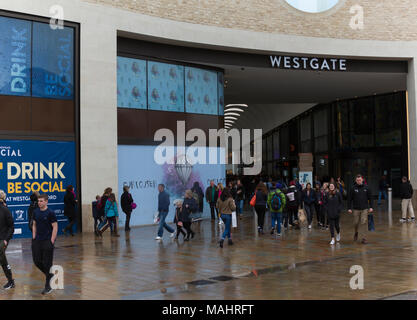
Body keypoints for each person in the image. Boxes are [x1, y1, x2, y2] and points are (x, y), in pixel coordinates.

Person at [32, 194, 58, 295]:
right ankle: (50, 275)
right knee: (37, 261)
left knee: (47, 264)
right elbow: (34, 224)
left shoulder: (50, 213)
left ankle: (48, 286)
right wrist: (34, 237)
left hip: (47, 241)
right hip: (37, 241)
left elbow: (55, 227)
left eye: (41, 201)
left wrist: (52, 240)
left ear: (46, 201)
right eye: (38, 201)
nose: (39, 203)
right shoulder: (35, 212)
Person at [348, 174, 373, 244]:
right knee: (356, 223)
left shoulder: (367, 188)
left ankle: (364, 238)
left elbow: (370, 198)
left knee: (364, 222)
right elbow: (349, 199)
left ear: (362, 180)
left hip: (364, 208)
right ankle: (356, 232)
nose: (358, 181)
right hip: (356, 209)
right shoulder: (353, 188)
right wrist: (349, 208)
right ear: (355, 181)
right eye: (357, 180)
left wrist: (371, 207)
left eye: (360, 180)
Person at [0, 190, 15, 290]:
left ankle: (10, 281)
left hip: (2, 239)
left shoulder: (5, 210)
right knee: (2, 260)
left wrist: (6, 239)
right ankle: (11, 281)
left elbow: (11, 227)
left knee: (2, 259)